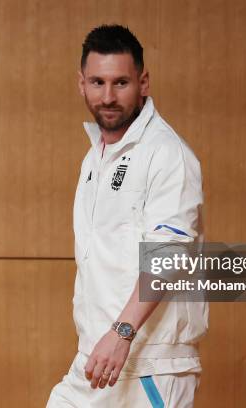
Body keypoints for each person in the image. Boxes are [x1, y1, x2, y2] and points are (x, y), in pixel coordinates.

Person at [46, 24, 208, 407]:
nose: (108, 96)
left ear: (143, 83)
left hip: (150, 365)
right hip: (95, 360)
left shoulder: (167, 154)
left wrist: (122, 333)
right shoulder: (95, 156)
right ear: (81, 84)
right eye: (97, 82)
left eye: (121, 83)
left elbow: (168, 252)